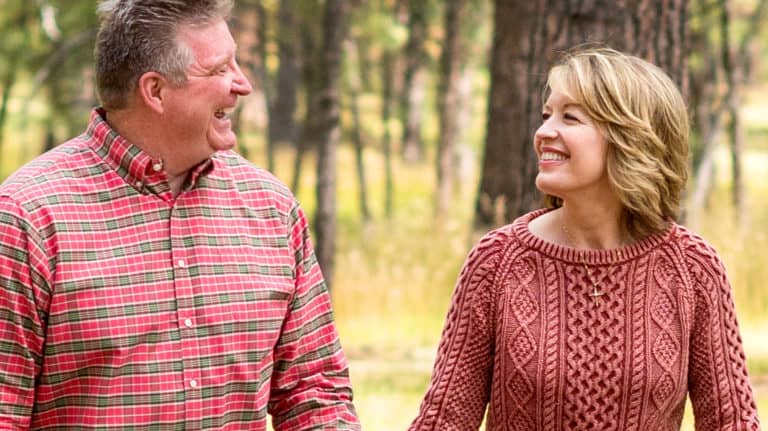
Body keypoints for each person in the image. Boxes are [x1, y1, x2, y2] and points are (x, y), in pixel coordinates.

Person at [0, 1, 360, 429]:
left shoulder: (272, 210)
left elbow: (314, 393)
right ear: (154, 91)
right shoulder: (27, 219)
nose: (242, 84)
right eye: (219, 69)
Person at [408, 47, 761, 430]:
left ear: (629, 138)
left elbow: (733, 422)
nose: (543, 132)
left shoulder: (692, 268)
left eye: (570, 117)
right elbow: (443, 421)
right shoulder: (497, 262)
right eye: (546, 116)